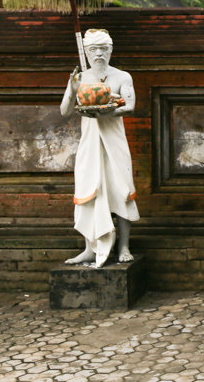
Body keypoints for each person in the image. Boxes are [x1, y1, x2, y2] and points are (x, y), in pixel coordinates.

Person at [60, 29, 139, 267]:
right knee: (89, 192)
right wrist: (72, 89)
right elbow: (64, 111)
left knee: (120, 191)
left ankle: (123, 246)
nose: (99, 54)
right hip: (90, 143)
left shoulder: (122, 76)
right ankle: (89, 248)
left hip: (114, 142)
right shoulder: (80, 78)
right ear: (86, 52)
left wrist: (107, 107)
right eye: (93, 50)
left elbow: (131, 105)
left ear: (111, 50)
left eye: (104, 49)